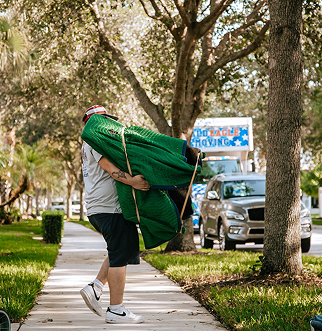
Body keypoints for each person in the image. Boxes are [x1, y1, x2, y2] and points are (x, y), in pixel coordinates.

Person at [80, 105, 150, 324]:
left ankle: (96, 286)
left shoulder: (89, 143)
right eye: (103, 119)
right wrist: (134, 182)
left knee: (124, 248)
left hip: (104, 208)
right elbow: (110, 169)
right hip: (107, 208)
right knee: (120, 253)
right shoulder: (95, 141)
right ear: (94, 122)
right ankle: (116, 310)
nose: (107, 124)